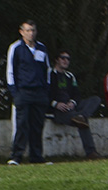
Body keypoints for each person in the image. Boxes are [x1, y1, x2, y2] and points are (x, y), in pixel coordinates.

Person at [6, 20, 52, 165]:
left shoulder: (42, 48)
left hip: (39, 93)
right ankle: (16, 156)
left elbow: (47, 70)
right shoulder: (16, 48)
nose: (30, 33)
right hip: (23, 93)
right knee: (22, 125)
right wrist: (15, 92)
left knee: (37, 126)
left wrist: (46, 90)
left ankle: (37, 157)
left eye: (33, 30)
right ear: (21, 32)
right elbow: (10, 71)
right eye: (27, 30)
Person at [49, 50, 102, 159]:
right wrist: (55, 104)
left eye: (68, 59)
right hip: (59, 110)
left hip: (72, 107)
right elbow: (44, 93)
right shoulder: (49, 74)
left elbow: (77, 94)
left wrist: (72, 102)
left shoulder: (70, 76)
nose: (65, 60)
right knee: (82, 122)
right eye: (63, 58)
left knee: (95, 99)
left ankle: (81, 115)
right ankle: (91, 152)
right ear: (57, 60)